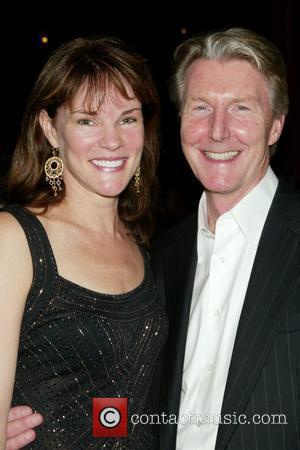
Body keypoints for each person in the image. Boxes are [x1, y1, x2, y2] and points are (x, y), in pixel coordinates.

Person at [0, 35, 168, 449]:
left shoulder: (143, 245)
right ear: (49, 129)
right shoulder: (15, 240)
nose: (112, 141)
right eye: (87, 120)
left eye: (127, 119)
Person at [151, 27, 299, 449]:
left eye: (240, 108)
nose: (217, 131)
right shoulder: (162, 257)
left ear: (275, 127)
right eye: (200, 108)